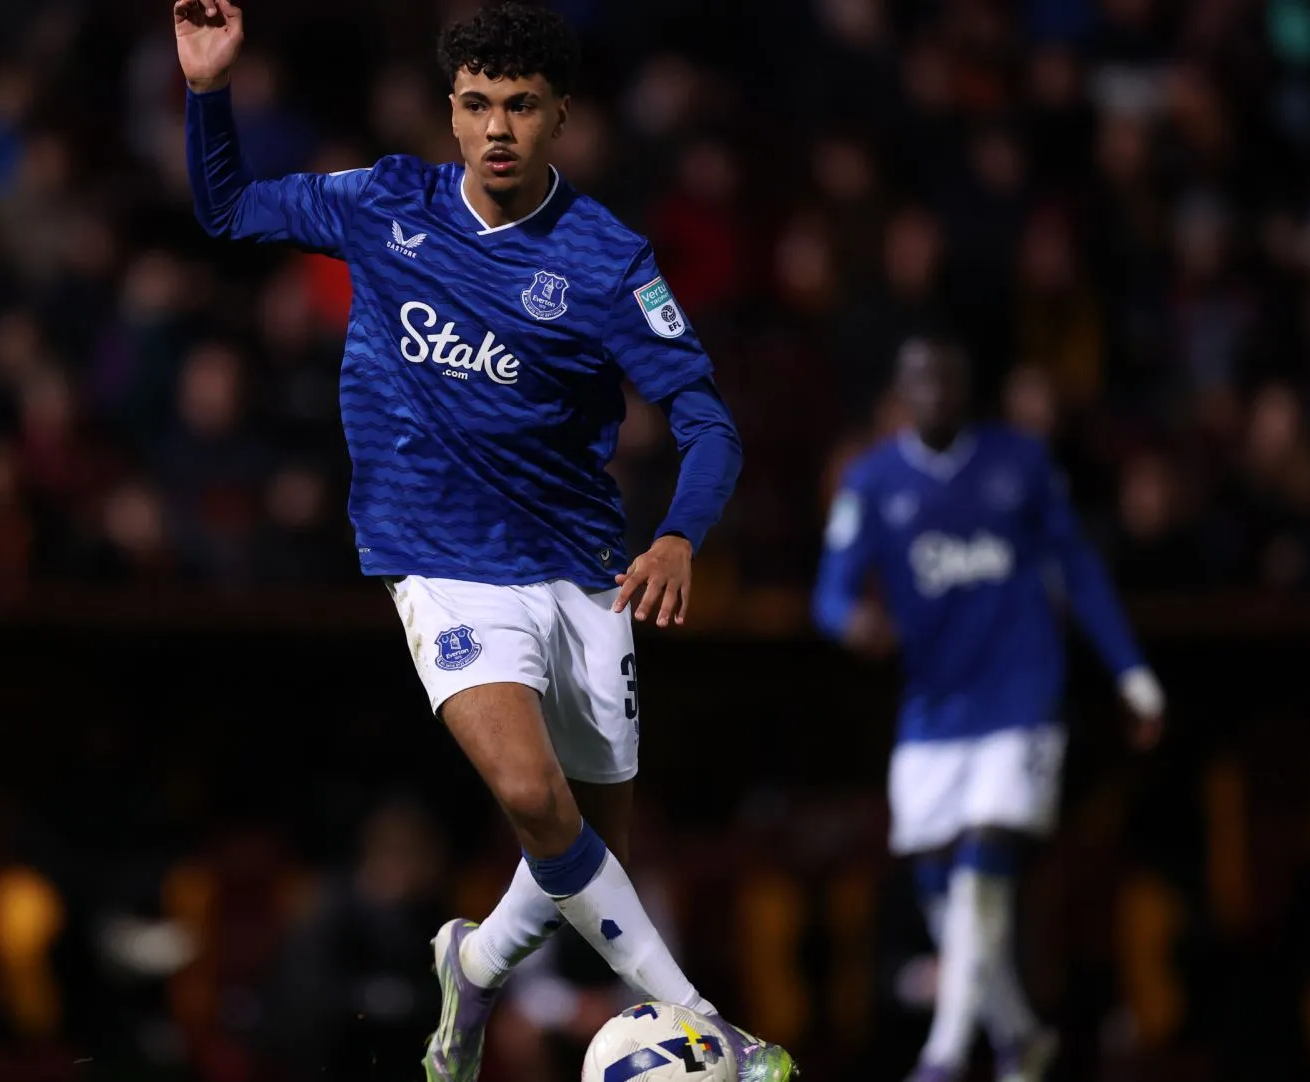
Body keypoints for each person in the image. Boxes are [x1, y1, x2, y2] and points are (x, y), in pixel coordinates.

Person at [172, 2, 794, 1080]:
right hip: (440, 558)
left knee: (586, 850)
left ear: (560, 117)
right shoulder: (384, 204)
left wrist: (682, 534)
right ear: (449, 113)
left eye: (519, 106)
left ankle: (474, 967)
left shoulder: (609, 260)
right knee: (529, 795)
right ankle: (707, 1022)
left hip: (584, 567)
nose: (496, 128)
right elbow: (225, 209)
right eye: (475, 105)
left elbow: (706, 420)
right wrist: (210, 87)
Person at [812, 337, 1165, 1082]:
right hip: (933, 709)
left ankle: (940, 1059)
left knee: (982, 863)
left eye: (948, 378)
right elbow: (829, 592)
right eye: (922, 381)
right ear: (902, 394)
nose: (936, 393)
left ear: (968, 388)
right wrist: (853, 622)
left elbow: (1079, 570)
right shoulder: (873, 482)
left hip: (1022, 697)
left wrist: (1131, 673)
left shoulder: (1022, 464)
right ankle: (1020, 1036)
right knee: (941, 886)